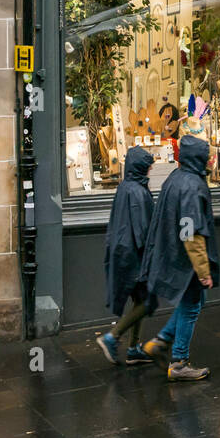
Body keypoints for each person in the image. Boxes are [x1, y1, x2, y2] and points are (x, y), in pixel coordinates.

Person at [139, 135, 219, 381]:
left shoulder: (176, 177)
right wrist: (203, 270)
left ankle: (160, 341)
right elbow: (190, 232)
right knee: (192, 305)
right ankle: (179, 362)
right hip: (185, 260)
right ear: (199, 158)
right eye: (208, 156)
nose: (212, 160)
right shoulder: (192, 186)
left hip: (171, 252)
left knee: (191, 302)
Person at [97, 146, 158, 365]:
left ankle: (133, 348)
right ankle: (113, 337)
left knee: (140, 298)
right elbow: (143, 229)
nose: (151, 170)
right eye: (149, 166)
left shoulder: (126, 187)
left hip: (122, 250)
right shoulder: (138, 193)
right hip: (134, 254)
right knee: (147, 300)